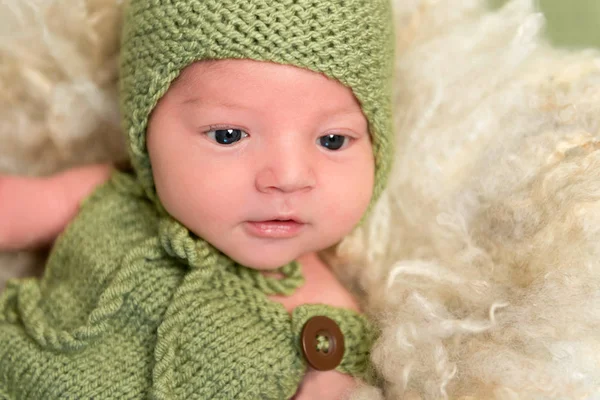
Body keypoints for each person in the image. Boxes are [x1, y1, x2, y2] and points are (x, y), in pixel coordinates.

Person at [0, 0, 395, 398]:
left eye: (333, 140)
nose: (290, 178)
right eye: (229, 135)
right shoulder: (109, 193)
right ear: (145, 129)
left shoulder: (327, 331)